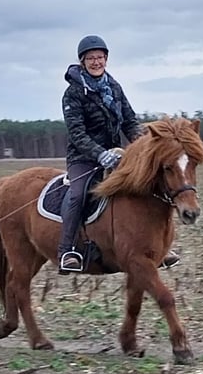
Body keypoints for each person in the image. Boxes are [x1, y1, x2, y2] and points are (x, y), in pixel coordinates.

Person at [57, 34, 180, 272]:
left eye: (100, 58)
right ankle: (67, 250)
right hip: (83, 158)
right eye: (91, 58)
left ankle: (157, 247)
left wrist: (144, 145)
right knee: (79, 194)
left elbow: (130, 122)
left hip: (116, 155)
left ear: (106, 59)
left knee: (149, 185)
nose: (96, 62)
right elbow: (77, 134)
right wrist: (99, 154)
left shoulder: (114, 87)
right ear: (83, 61)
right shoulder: (73, 93)